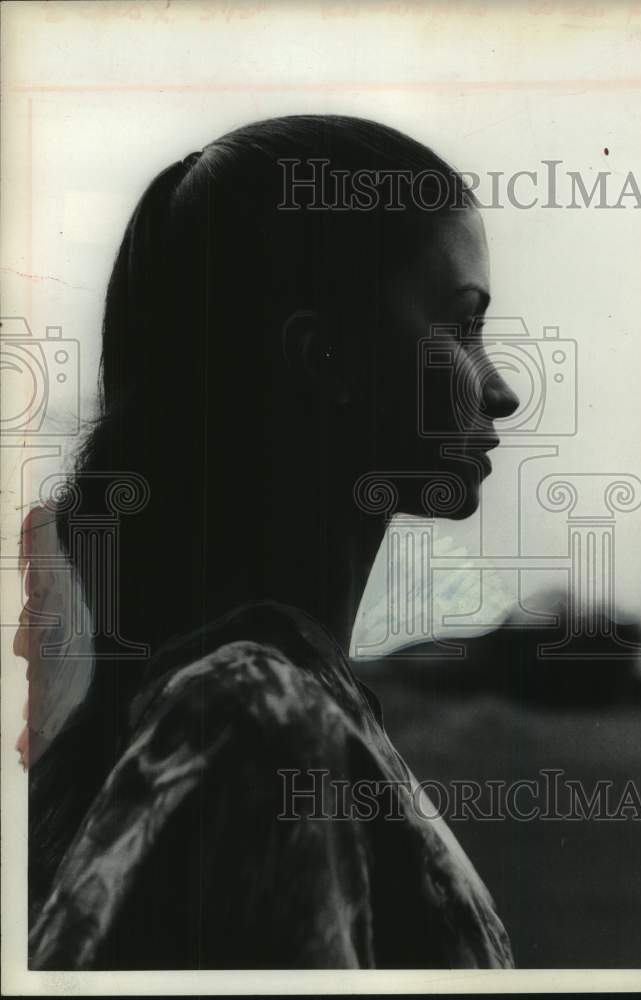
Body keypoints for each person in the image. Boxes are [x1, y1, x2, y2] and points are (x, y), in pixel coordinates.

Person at [23, 115, 519, 969]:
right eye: (463, 326)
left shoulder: (262, 703)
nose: (501, 392)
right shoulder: (255, 718)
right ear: (322, 357)